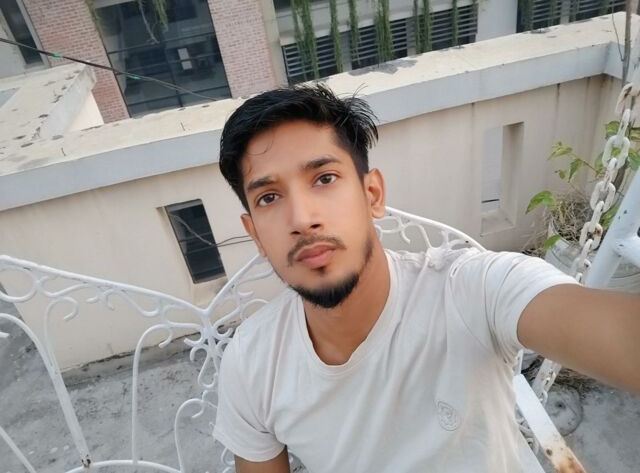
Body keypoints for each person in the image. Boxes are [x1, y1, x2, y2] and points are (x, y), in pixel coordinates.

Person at [212, 84, 640, 473]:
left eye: (324, 178)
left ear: (372, 194)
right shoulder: (252, 363)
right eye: (269, 197)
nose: (302, 219)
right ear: (255, 234)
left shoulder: (474, 290)